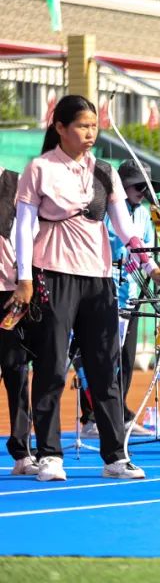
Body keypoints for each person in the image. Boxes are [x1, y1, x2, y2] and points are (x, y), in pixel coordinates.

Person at [10, 94, 160, 482]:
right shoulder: (39, 168)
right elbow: (24, 226)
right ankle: (50, 455)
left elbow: (125, 229)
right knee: (51, 366)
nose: (90, 133)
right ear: (60, 128)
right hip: (52, 276)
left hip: (98, 280)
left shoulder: (104, 172)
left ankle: (115, 456)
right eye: (82, 126)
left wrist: (152, 267)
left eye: (94, 126)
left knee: (104, 367)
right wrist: (24, 279)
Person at [75, 159, 159, 439]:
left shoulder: (144, 215)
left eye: (146, 187)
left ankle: (118, 413)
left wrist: (154, 271)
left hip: (131, 296)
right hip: (105, 293)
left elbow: (146, 251)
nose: (142, 192)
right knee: (101, 357)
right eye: (137, 186)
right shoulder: (107, 210)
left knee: (125, 358)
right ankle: (92, 418)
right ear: (121, 187)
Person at [0, 165, 36, 476]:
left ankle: (22, 451)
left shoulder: (16, 183)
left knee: (16, 370)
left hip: (10, 294)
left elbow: (31, 234)